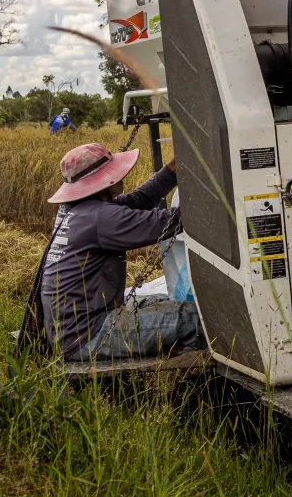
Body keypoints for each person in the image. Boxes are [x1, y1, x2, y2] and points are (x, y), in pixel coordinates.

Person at [23, 142, 202, 362]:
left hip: (73, 328)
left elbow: (139, 200)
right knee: (194, 317)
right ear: (104, 182)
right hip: (89, 336)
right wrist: (213, 201)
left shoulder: (75, 210)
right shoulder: (99, 218)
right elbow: (168, 222)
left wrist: (172, 170)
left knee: (165, 299)